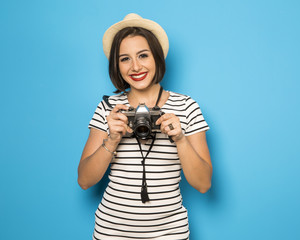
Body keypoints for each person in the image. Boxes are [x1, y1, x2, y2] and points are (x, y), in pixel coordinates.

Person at [78, 13, 212, 240]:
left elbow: (203, 184)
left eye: (143, 55)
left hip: (170, 233)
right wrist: (111, 139)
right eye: (125, 59)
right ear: (116, 66)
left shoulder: (187, 106)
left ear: (157, 57)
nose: (135, 66)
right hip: (111, 233)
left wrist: (180, 139)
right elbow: (84, 181)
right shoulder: (109, 108)